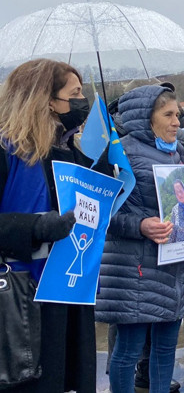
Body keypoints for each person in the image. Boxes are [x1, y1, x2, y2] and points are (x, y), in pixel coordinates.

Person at [96, 84, 184, 393]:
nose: (177, 122)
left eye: (177, 114)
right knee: (128, 351)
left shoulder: (181, 151)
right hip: (135, 269)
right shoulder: (119, 153)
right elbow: (101, 214)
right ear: (145, 117)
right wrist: (140, 226)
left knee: (165, 348)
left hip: (176, 267)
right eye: (168, 115)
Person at [0, 59, 95, 392]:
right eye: (75, 93)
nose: (82, 102)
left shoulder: (71, 151)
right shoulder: (7, 150)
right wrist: (35, 227)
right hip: (23, 297)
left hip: (68, 292)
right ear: (47, 100)